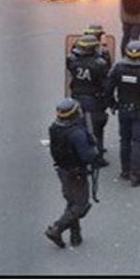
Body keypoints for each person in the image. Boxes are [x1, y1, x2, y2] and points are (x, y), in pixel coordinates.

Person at [103, 40, 140, 187]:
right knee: (137, 143)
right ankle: (137, 175)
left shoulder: (118, 68)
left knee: (125, 140)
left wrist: (112, 104)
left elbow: (108, 89)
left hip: (123, 109)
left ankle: (125, 171)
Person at [45, 98, 100, 249]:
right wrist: (94, 149)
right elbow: (88, 156)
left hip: (62, 170)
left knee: (72, 202)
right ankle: (57, 228)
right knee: (81, 205)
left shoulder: (54, 128)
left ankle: (76, 235)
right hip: (76, 173)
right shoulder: (77, 134)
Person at [67, 34, 111, 166]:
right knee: (96, 129)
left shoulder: (72, 60)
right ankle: (97, 157)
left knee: (78, 126)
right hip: (93, 99)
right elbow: (105, 83)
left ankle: (78, 153)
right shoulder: (99, 64)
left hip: (76, 96)